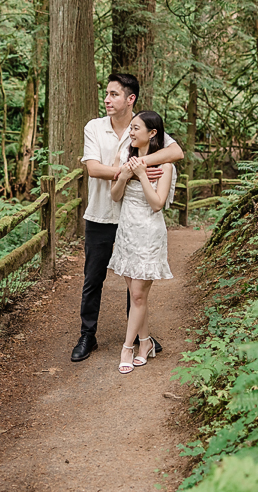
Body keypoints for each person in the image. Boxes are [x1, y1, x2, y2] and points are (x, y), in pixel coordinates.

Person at [72, 73, 183, 362]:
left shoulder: (142, 125)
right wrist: (130, 171)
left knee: (133, 280)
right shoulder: (94, 127)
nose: (107, 100)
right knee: (93, 277)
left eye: (113, 94)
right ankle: (87, 335)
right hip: (100, 213)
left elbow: (175, 151)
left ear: (129, 99)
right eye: (106, 94)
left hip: (132, 219)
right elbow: (94, 169)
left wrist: (139, 163)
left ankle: (136, 337)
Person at [107, 111, 175, 374]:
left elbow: (158, 204)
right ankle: (145, 343)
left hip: (149, 233)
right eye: (131, 128)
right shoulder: (127, 158)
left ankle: (128, 347)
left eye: (136, 128)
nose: (131, 133)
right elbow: (115, 197)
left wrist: (143, 175)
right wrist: (124, 175)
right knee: (139, 297)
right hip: (127, 233)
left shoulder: (166, 166)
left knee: (137, 295)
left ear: (152, 133)